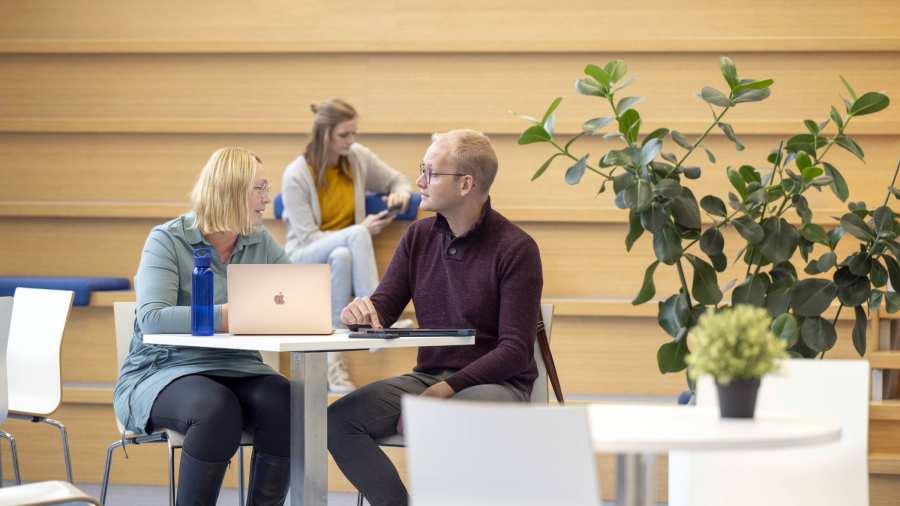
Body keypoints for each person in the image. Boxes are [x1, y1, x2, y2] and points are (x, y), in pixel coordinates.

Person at [327, 129, 544, 506]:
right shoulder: (418, 236)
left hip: (497, 385)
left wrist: (445, 391)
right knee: (337, 422)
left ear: (465, 184)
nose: (419, 182)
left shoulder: (517, 249)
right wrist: (359, 313)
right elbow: (384, 308)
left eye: (429, 172)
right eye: (420, 170)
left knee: (444, 423)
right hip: (427, 378)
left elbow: (515, 350)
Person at [113, 147, 291, 506]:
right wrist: (230, 314)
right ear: (230, 190)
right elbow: (153, 318)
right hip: (163, 370)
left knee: (286, 401)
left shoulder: (262, 243)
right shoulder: (167, 240)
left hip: (238, 368)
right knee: (215, 408)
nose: (267, 199)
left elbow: (292, 300)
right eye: (259, 188)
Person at [281, 98, 413, 393]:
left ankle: (333, 365)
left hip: (340, 257)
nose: (351, 141)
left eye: (354, 133)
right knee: (353, 237)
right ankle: (377, 318)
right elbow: (306, 239)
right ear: (324, 134)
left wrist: (399, 195)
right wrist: (358, 230)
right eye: (344, 135)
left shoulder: (356, 158)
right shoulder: (296, 175)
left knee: (341, 254)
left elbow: (398, 180)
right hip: (302, 255)